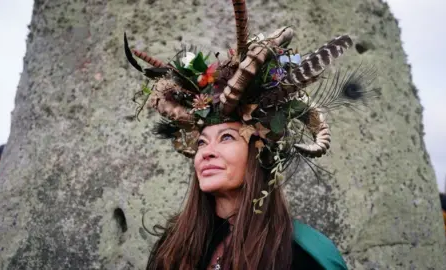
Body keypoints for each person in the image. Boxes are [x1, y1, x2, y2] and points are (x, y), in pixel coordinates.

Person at [123, 1, 377, 269]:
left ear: (261, 150)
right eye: (201, 142)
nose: (206, 152)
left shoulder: (305, 256)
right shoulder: (174, 248)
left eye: (227, 137)